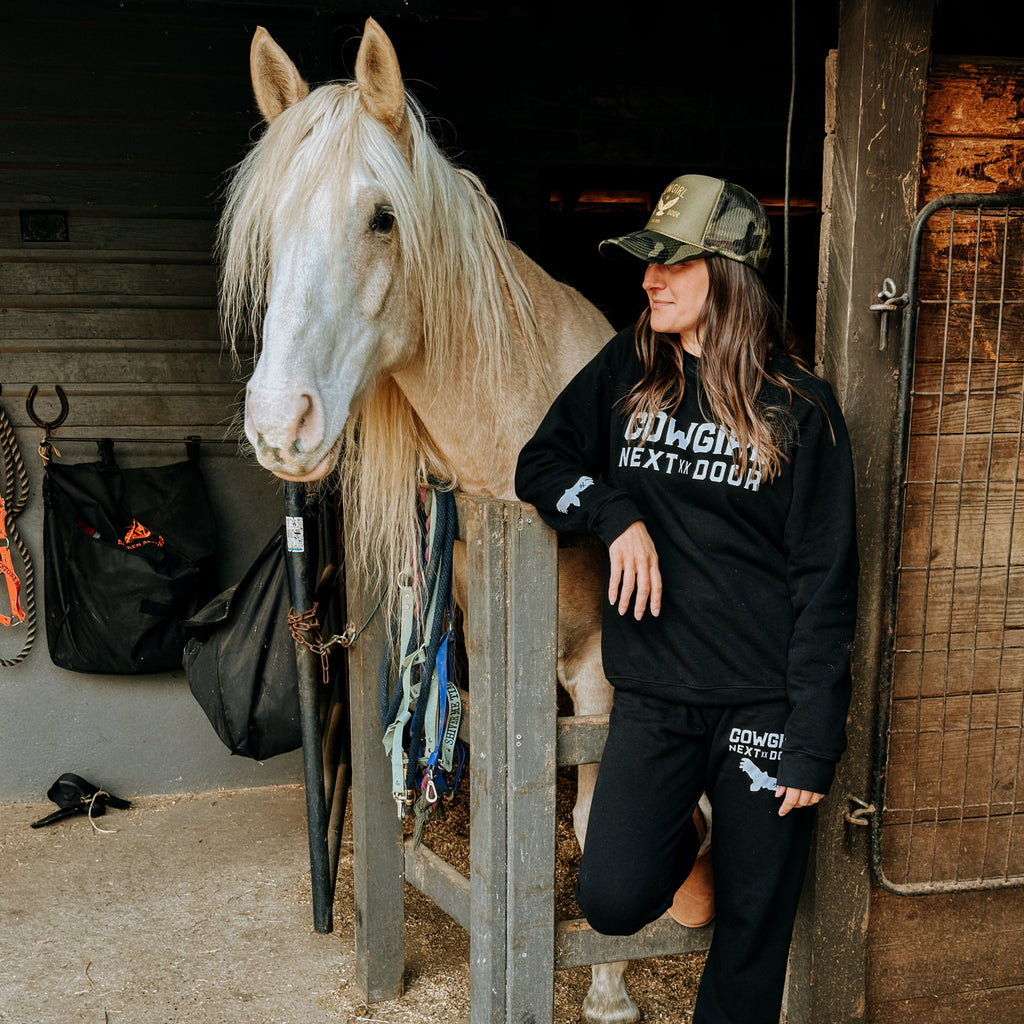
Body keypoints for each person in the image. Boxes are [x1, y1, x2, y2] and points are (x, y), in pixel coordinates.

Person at [514, 174, 858, 1024]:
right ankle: (692, 838)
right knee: (614, 894)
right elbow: (540, 465)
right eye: (647, 262)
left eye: (671, 262)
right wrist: (615, 512)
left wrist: (813, 738)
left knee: (751, 931)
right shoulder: (632, 368)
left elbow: (825, 581)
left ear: (730, 271)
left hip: (765, 711)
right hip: (659, 700)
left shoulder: (802, 409)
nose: (648, 280)